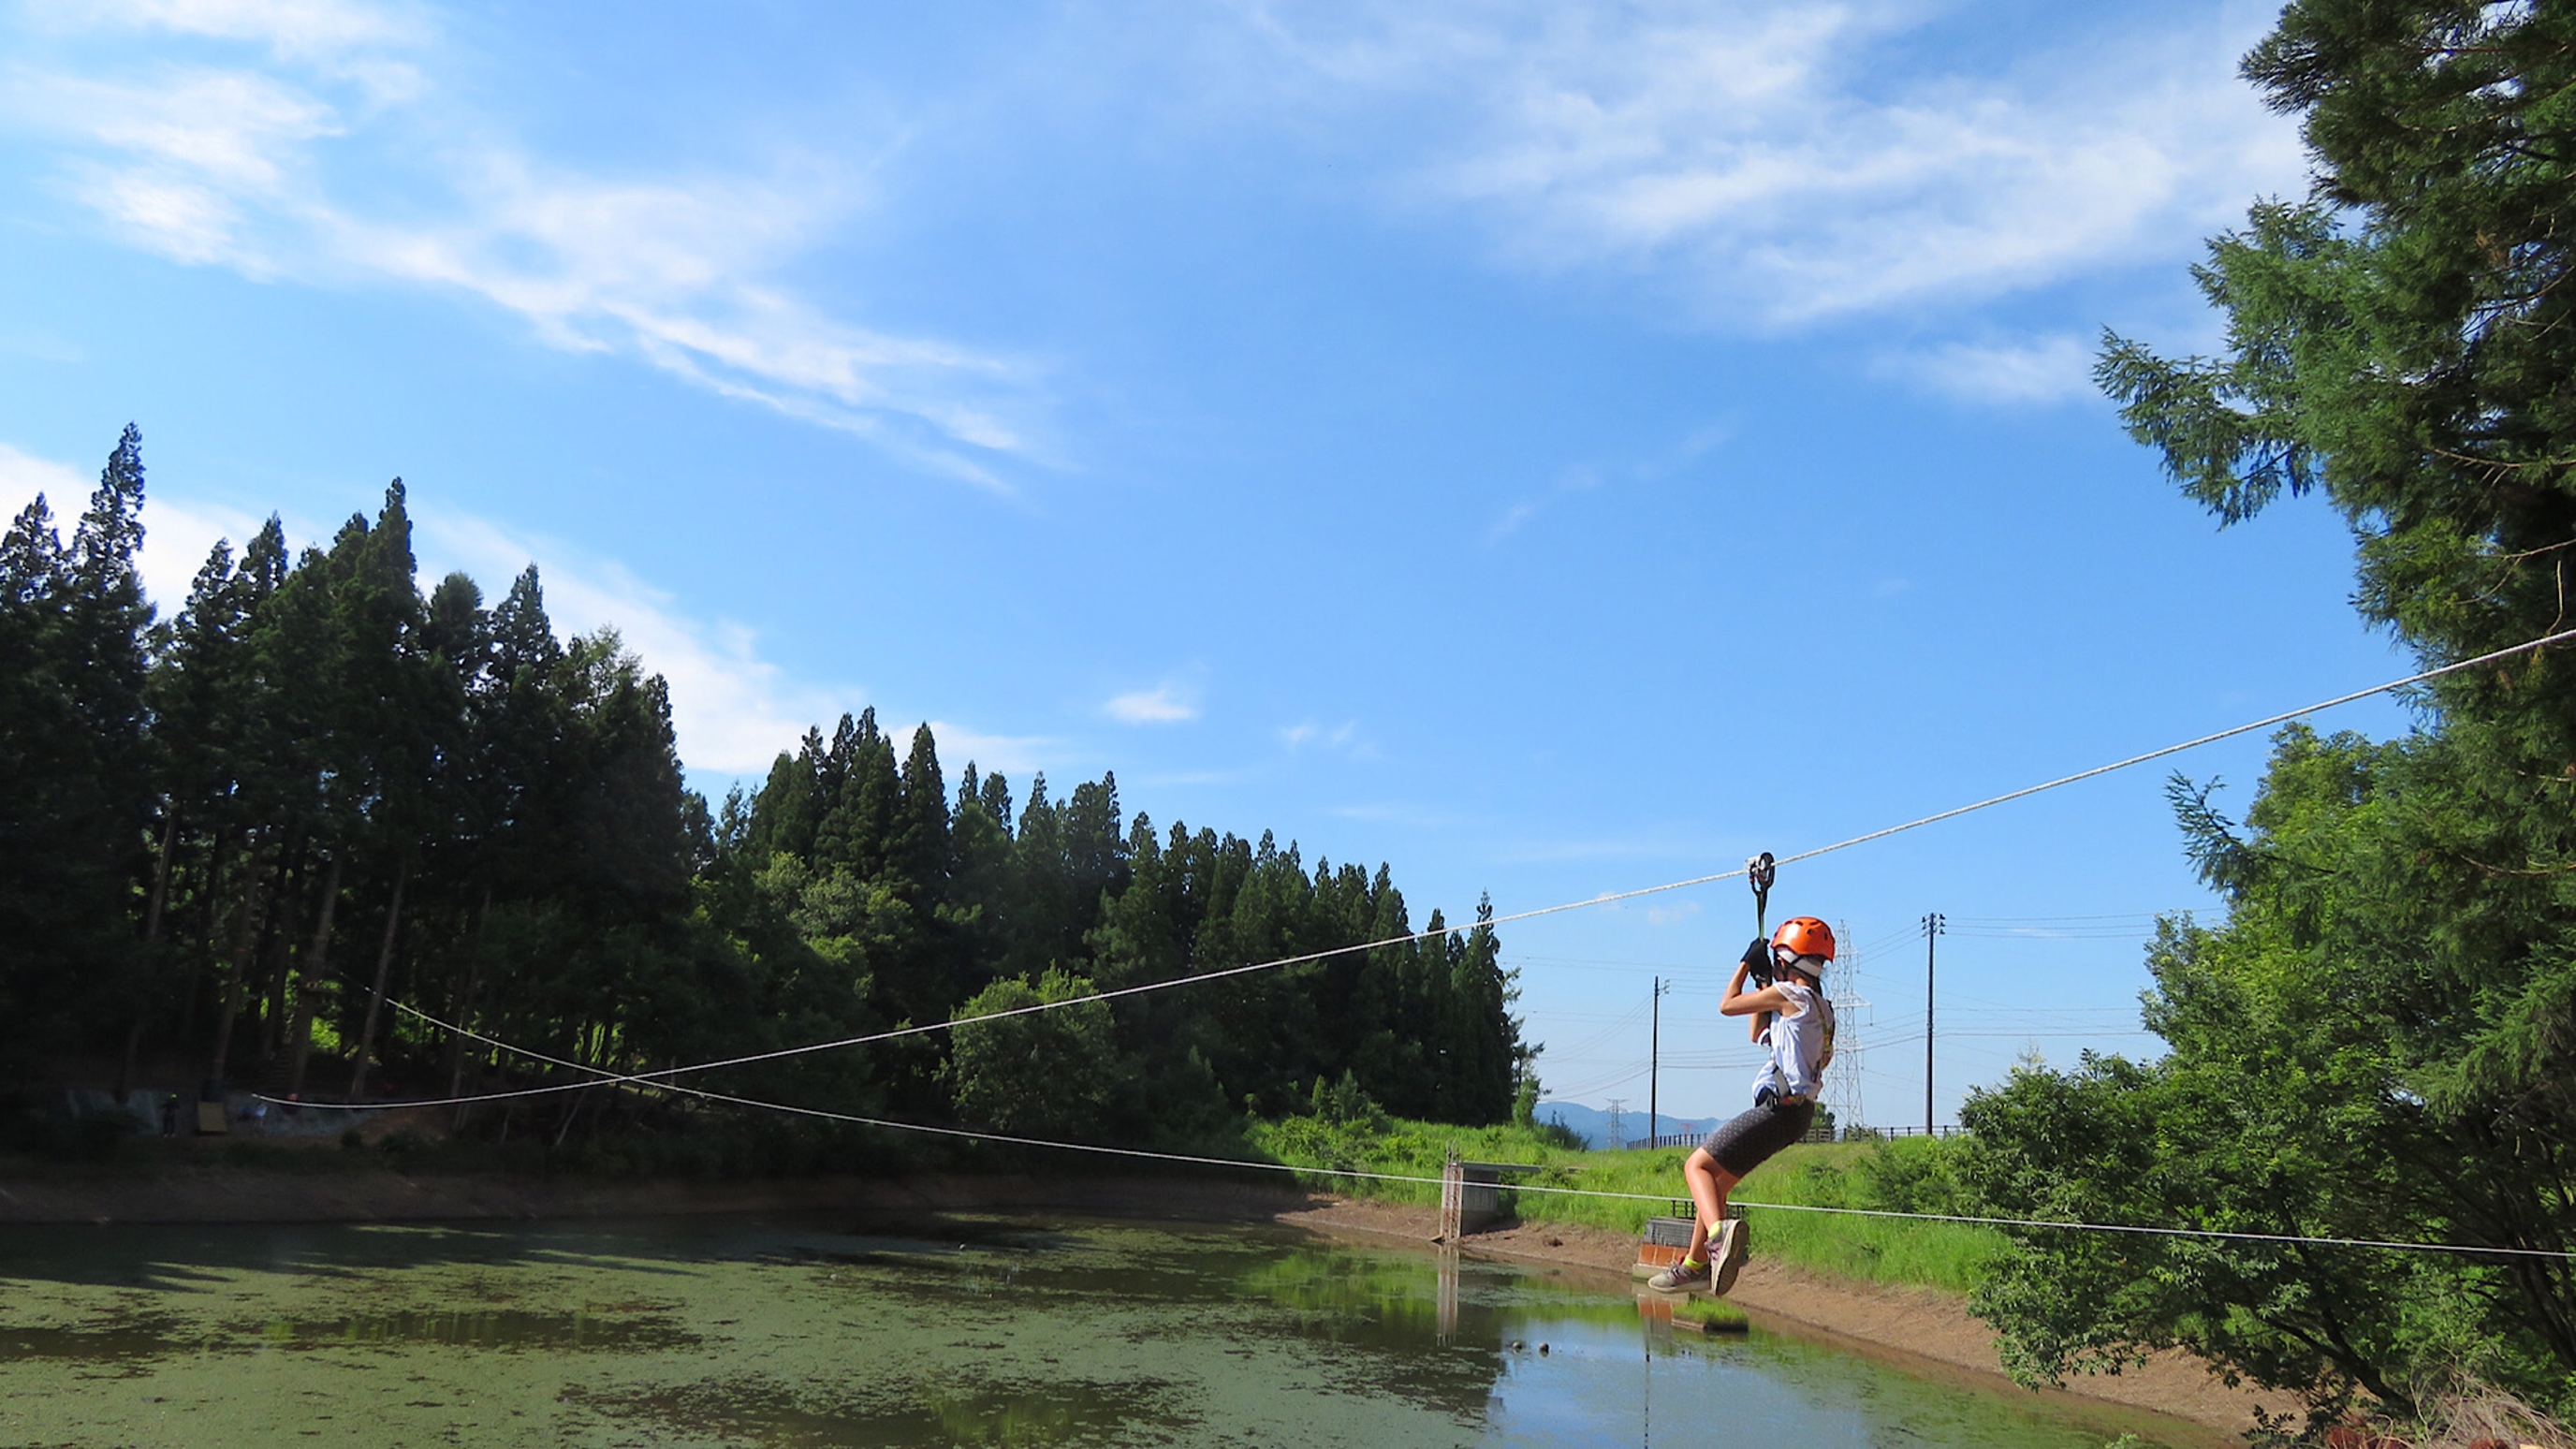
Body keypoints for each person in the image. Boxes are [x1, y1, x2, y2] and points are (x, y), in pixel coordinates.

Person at [1648, 915, 1837, 1295]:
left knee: (1696, 1166)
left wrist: (1745, 964)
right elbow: (1758, 1033)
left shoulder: (1791, 998)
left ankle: (1718, 1239)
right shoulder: (1821, 1009)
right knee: (1716, 1185)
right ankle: (1695, 1264)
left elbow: (1726, 1005)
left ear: (1785, 960)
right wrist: (1764, 984)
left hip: (1778, 1109)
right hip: (1797, 1114)